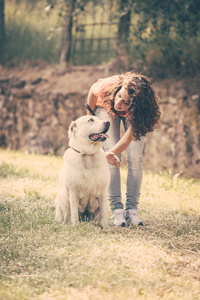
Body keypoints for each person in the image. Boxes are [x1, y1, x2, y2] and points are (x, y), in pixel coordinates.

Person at [86, 71, 161, 227]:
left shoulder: (140, 111)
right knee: (111, 158)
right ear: (119, 89)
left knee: (135, 157)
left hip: (134, 115)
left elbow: (127, 139)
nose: (119, 104)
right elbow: (92, 92)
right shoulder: (107, 88)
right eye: (120, 96)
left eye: (125, 102)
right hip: (104, 106)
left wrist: (112, 152)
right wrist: (90, 121)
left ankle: (132, 209)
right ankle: (116, 210)